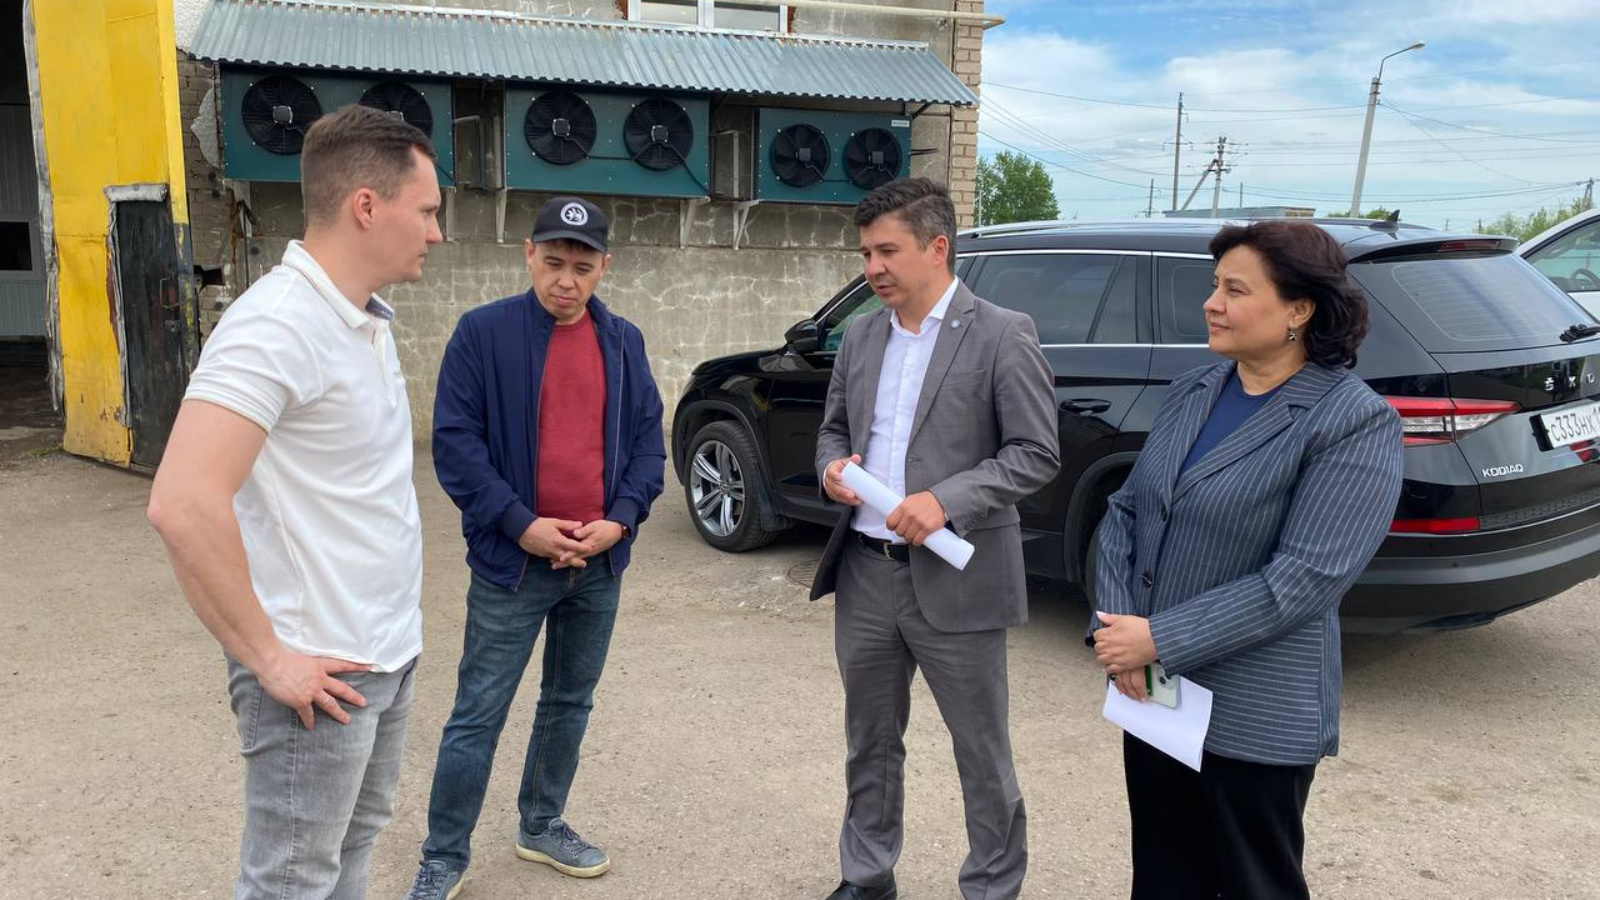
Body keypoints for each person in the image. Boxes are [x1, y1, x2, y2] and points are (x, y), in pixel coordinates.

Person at [147, 104, 442, 899]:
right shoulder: (276, 325)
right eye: (426, 211)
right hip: (318, 668)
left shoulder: (361, 318)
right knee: (291, 878)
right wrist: (269, 657)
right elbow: (183, 501)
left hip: (382, 654)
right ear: (367, 206)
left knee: (349, 851)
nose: (437, 232)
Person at [1091, 219, 1405, 899]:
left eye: (1235, 290)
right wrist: (1116, 631)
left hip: (1257, 713)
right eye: (1215, 286)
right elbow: (1126, 511)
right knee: (1164, 879)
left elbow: (1305, 578)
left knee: (1254, 884)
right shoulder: (1195, 390)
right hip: (1156, 695)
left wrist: (1159, 637)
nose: (1212, 303)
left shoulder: (1352, 420)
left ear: (1298, 309)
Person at [402, 196, 665, 900]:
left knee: (569, 701)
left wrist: (621, 521)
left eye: (582, 267)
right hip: (513, 565)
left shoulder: (623, 342)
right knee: (478, 710)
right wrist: (521, 525)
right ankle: (444, 853)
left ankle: (541, 824)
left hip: (598, 563)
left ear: (604, 267)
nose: (565, 281)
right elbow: (456, 445)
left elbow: (648, 443)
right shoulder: (483, 334)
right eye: (553, 263)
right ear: (528, 255)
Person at [809, 177, 1060, 900]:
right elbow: (833, 429)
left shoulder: (1002, 332)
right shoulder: (862, 334)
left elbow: (1035, 452)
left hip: (958, 578)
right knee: (870, 742)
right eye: (866, 253)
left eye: (887, 251)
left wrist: (946, 502)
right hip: (865, 573)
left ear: (937, 246)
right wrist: (831, 469)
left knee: (980, 750)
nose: (873, 267)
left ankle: (991, 887)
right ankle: (867, 875)